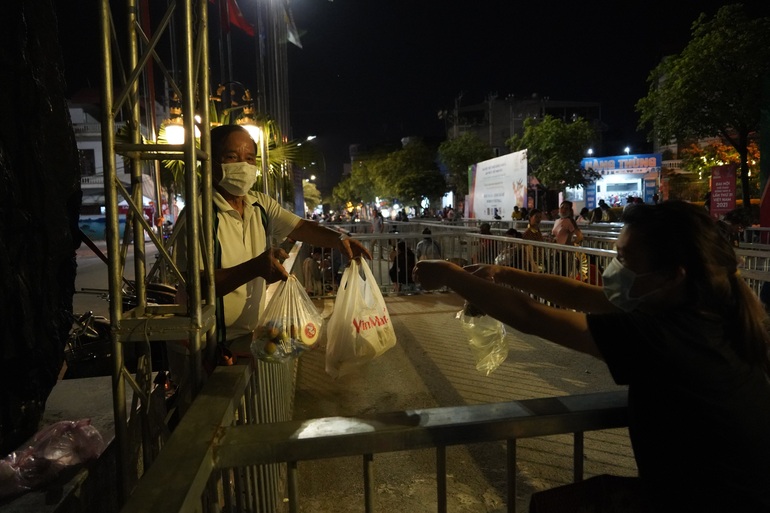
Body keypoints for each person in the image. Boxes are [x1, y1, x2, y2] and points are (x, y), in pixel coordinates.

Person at [413, 201, 770, 512]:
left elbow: (532, 317)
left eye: (626, 259)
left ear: (671, 276)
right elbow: (588, 296)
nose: (616, 268)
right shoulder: (710, 311)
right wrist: (502, 273)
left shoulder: (665, 335)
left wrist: (451, 275)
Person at [171, 125, 371, 406]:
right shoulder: (197, 215)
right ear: (211, 162)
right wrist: (254, 268)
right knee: (207, 425)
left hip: (247, 341)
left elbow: (300, 227)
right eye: (232, 156)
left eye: (250, 158)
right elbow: (195, 286)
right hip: (204, 348)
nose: (243, 165)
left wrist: (339, 240)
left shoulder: (260, 204)